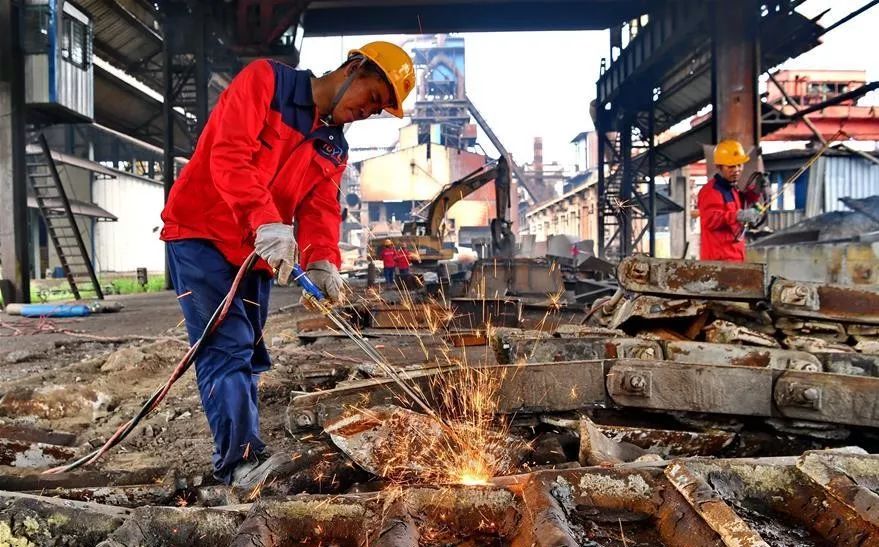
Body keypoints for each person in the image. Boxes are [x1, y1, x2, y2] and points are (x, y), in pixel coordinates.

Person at [159, 42, 415, 487]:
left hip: (257, 253)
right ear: (354, 68)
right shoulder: (266, 82)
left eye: (379, 111)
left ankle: (245, 450)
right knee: (227, 345)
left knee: (249, 354)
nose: (368, 112)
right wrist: (268, 223)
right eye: (373, 98)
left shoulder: (333, 147)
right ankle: (238, 464)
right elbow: (229, 155)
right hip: (201, 232)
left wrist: (322, 262)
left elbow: (320, 210)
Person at [697, 139, 763, 262]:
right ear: (719, 167)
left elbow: (741, 206)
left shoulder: (733, 190)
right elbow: (710, 220)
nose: (737, 170)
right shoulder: (710, 191)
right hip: (718, 262)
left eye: (739, 165)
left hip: (735, 258)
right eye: (731, 166)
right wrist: (738, 216)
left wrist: (755, 195)